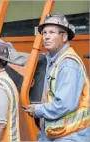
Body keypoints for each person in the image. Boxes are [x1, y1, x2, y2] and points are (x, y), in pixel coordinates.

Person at [25, 13, 89, 141]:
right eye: (44, 33)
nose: (46, 37)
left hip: (71, 135)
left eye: (52, 32)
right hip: (59, 134)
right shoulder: (53, 60)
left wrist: (38, 110)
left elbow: (65, 104)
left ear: (64, 37)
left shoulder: (68, 64)